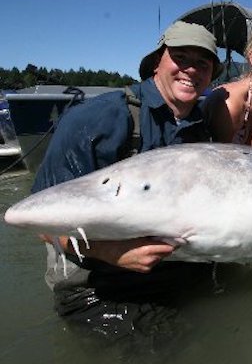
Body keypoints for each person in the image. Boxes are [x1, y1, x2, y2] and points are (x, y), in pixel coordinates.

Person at [32, 21, 222, 337]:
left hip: (175, 275)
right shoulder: (99, 117)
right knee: (168, 344)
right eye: (181, 57)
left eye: (202, 63)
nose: (191, 69)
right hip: (99, 285)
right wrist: (113, 252)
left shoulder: (202, 129)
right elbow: (42, 222)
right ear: (156, 62)